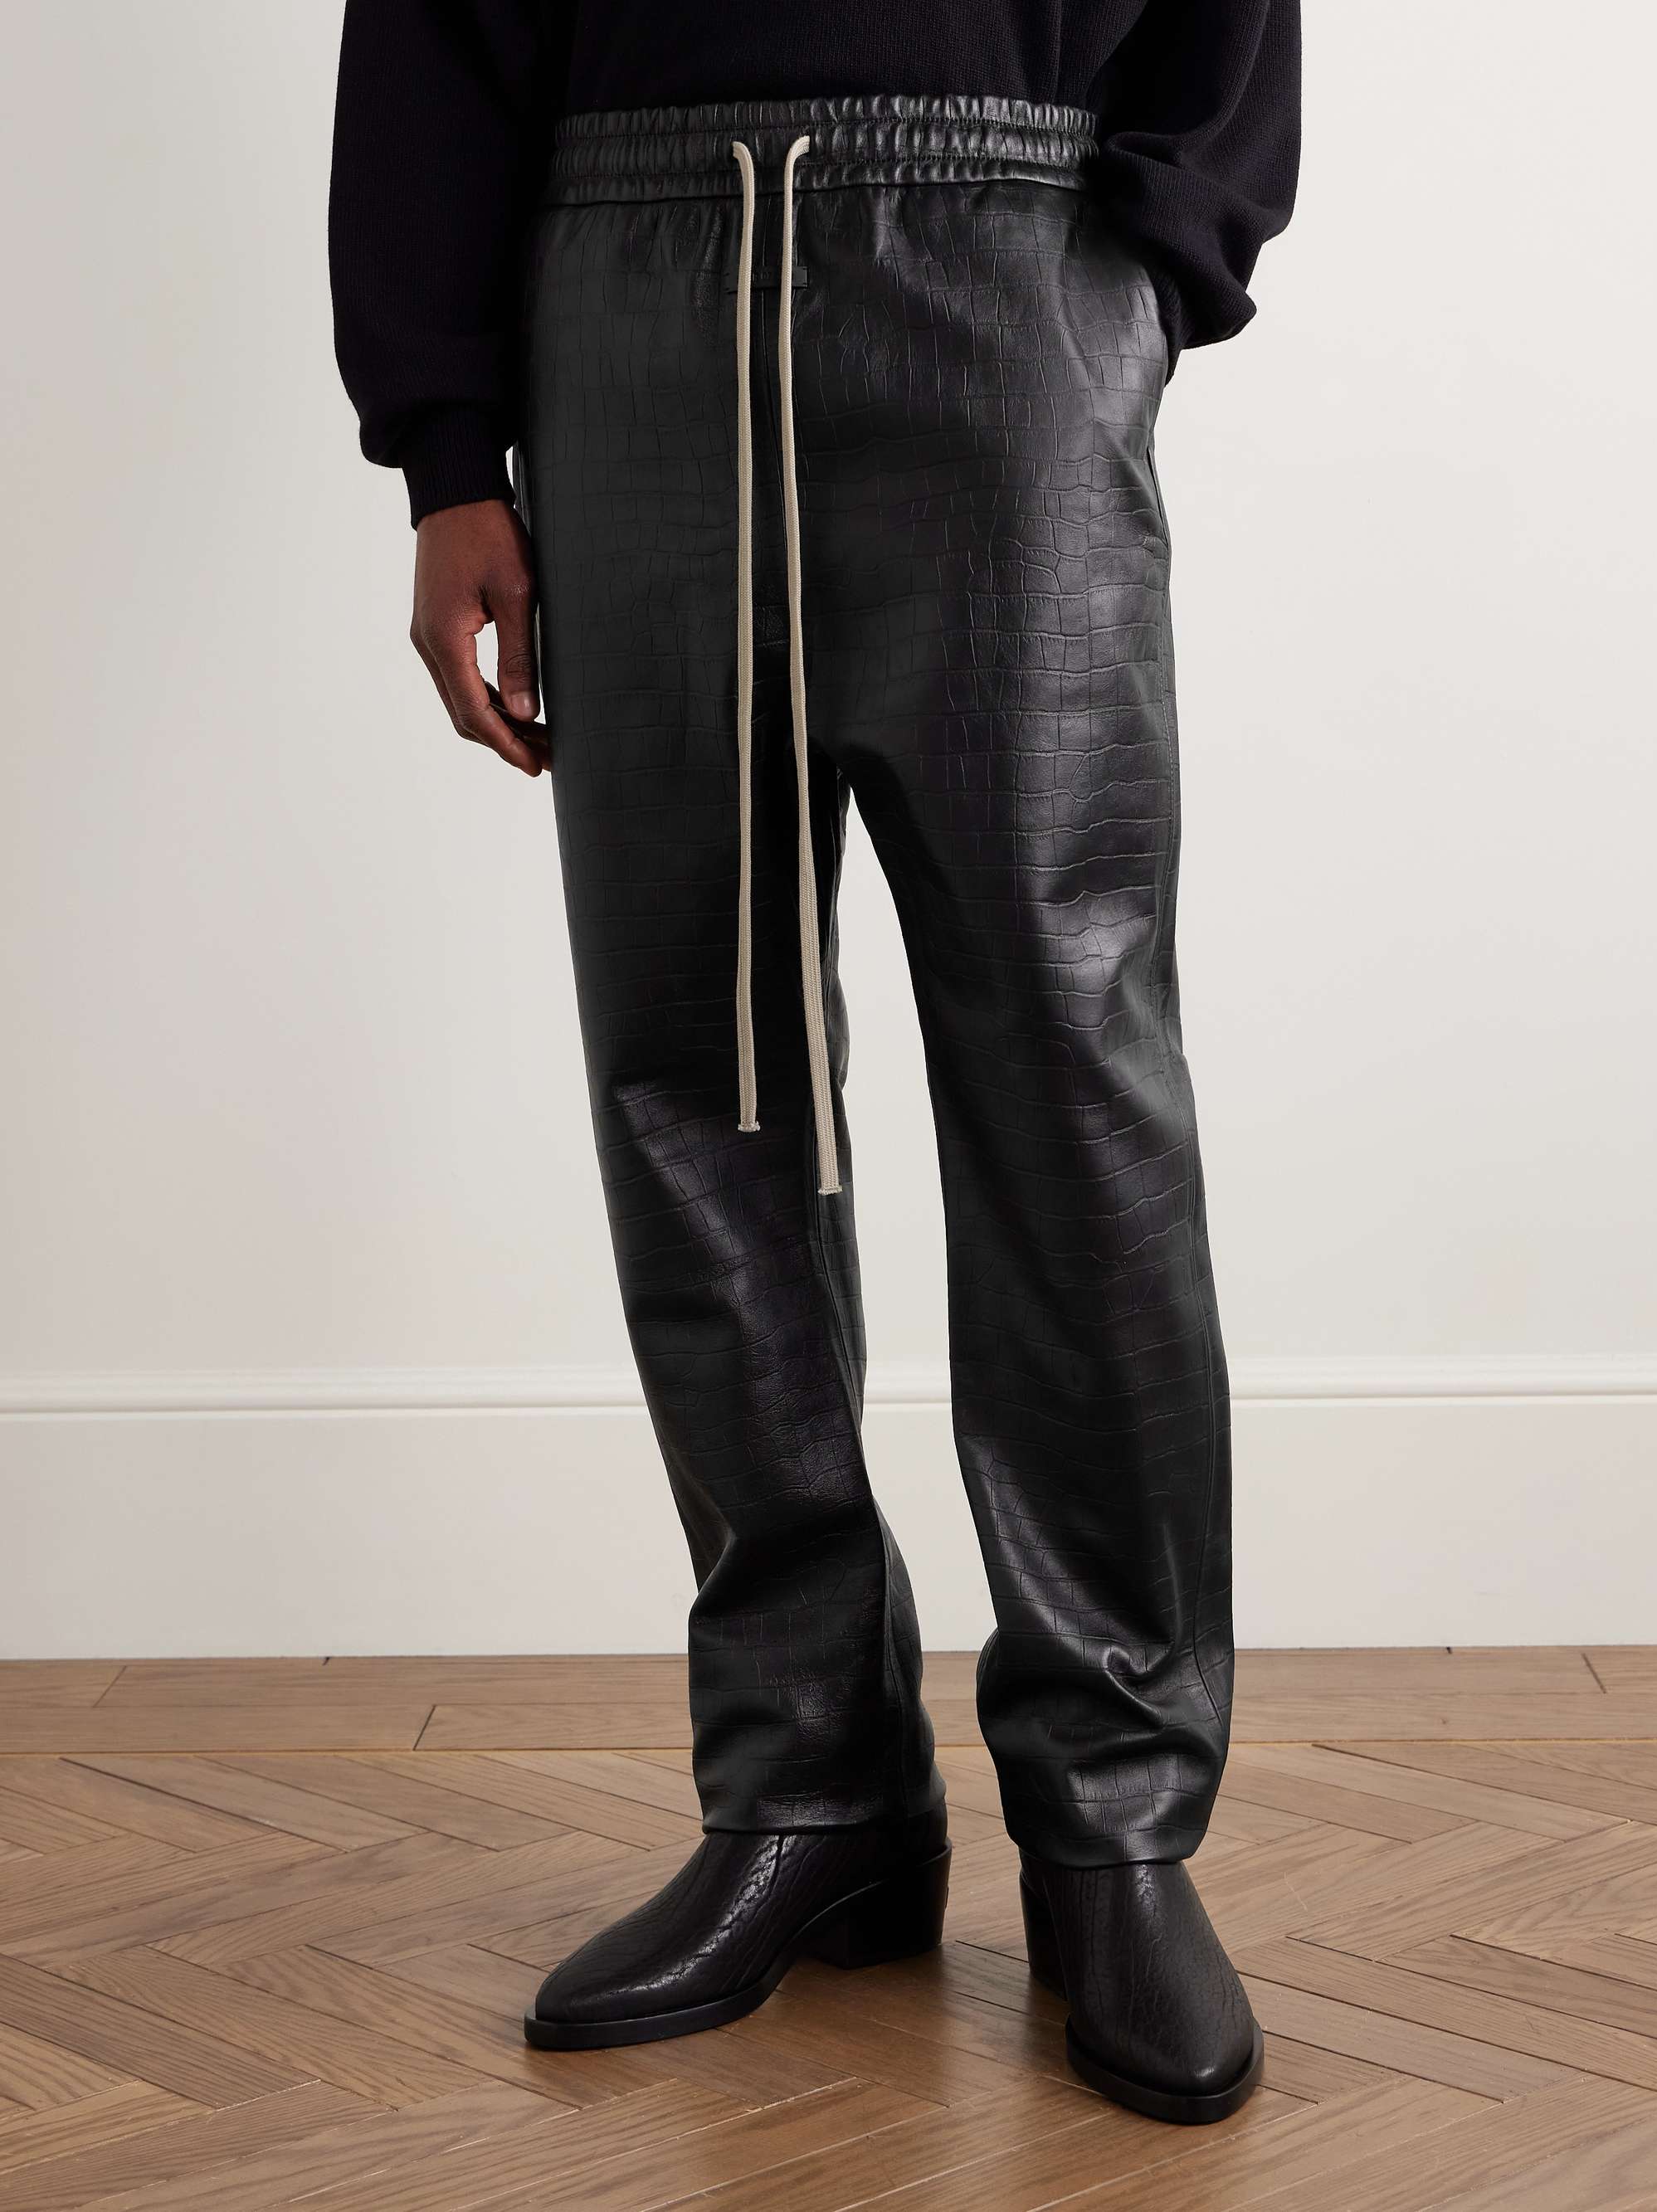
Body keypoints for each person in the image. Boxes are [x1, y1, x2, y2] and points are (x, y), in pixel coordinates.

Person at [330, 0, 1299, 2126]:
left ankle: (1114, 1821)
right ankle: (807, 1787)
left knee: (1069, 1076)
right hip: (626, 295)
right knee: (694, 1062)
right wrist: (445, 446)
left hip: (1013, 265)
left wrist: (1149, 258)